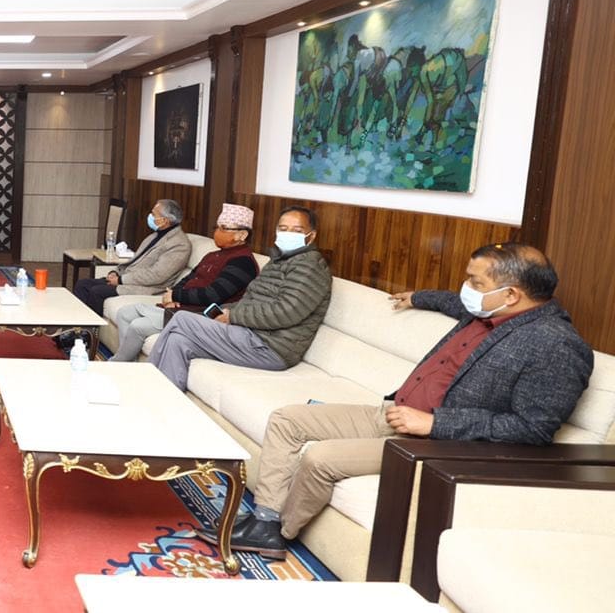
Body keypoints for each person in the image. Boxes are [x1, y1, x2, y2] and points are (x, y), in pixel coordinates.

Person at [199, 243, 593, 559]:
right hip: (393, 412)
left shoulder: (555, 346)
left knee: (320, 459)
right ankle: (265, 519)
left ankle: (280, 533)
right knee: (288, 419)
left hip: (435, 441)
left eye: (475, 282)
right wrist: (418, 297)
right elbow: (453, 302)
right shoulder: (490, 310)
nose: (467, 289)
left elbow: (533, 429)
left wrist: (435, 423)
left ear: (511, 294)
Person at [148, 205, 331, 391]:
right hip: (250, 334)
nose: (288, 234)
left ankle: (145, 385)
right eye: (283, 229)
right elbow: (250, 300)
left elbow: (286, 312)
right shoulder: (279, 260)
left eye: (296, 230)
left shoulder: (310, 267)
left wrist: (232, 316)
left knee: (182, 319)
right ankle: (164, 398)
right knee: (178, 340)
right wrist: (224, 311)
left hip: (270, 347)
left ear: (311, 236)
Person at [107, 203, 260, 361]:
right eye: (217, 227)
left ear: (242, 235)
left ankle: (118, 364)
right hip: (181, 307)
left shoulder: (242, 262)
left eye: (223, 228)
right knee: (125, 313)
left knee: (138, 326)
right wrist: (173, 295)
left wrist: (177, 296)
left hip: (197, 316)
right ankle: (128, 363)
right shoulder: (212, 255)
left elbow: (212, 295)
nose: (217, 232)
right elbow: (188, 278)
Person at [72, 199, 192, 316]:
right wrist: (116, 272)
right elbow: (135, 262)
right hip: (128, 279)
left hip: (146, 287)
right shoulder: (155, 236)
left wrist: (121, 280)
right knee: (83, 284)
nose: (150, 217)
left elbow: (156, 276)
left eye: (154, 214)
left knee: (97, 291)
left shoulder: (179, 244)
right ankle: (78, 325)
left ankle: (93, 328)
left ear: (165, 220)